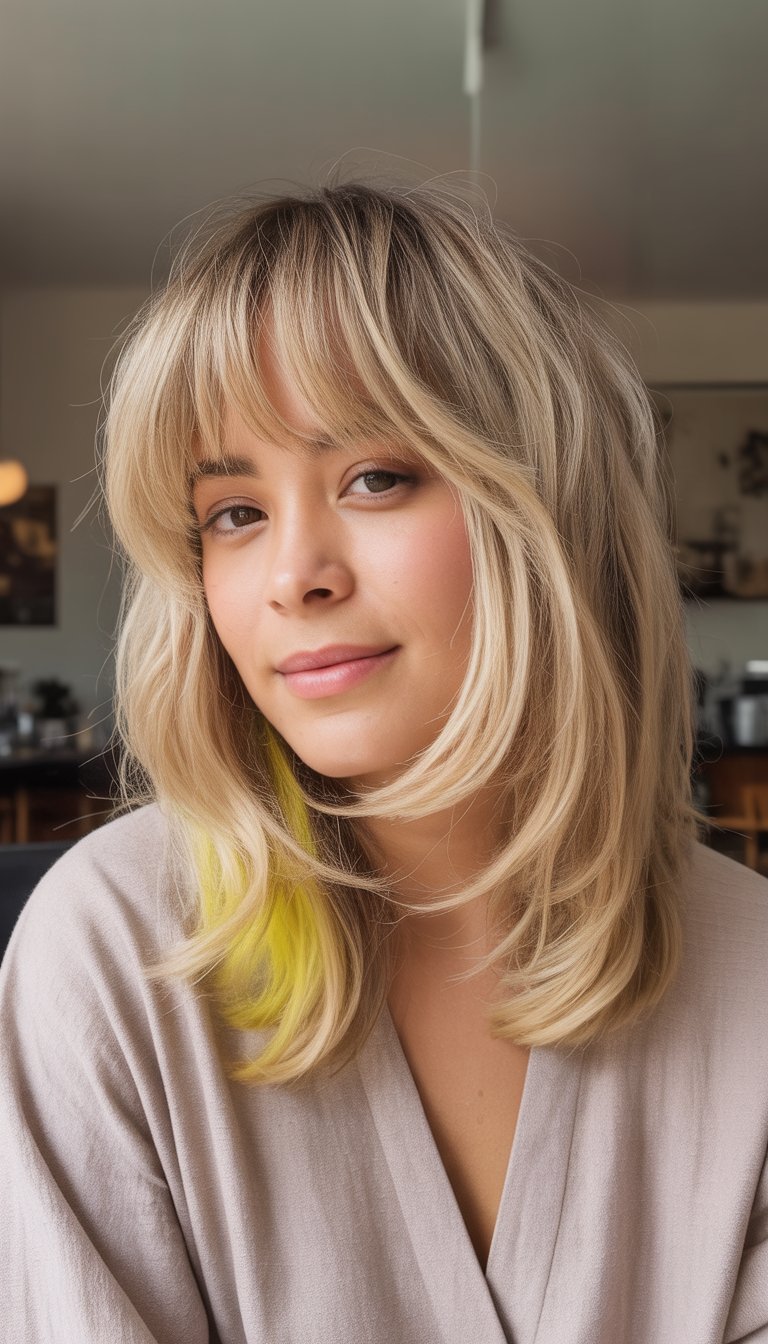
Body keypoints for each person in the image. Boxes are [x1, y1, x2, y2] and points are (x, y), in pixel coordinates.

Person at [1, 179, 767, 1344]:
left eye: (375, 477)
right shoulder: (113, 954)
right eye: (233, 512)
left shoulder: (751, 972)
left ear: (550, 511)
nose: (292, 575)